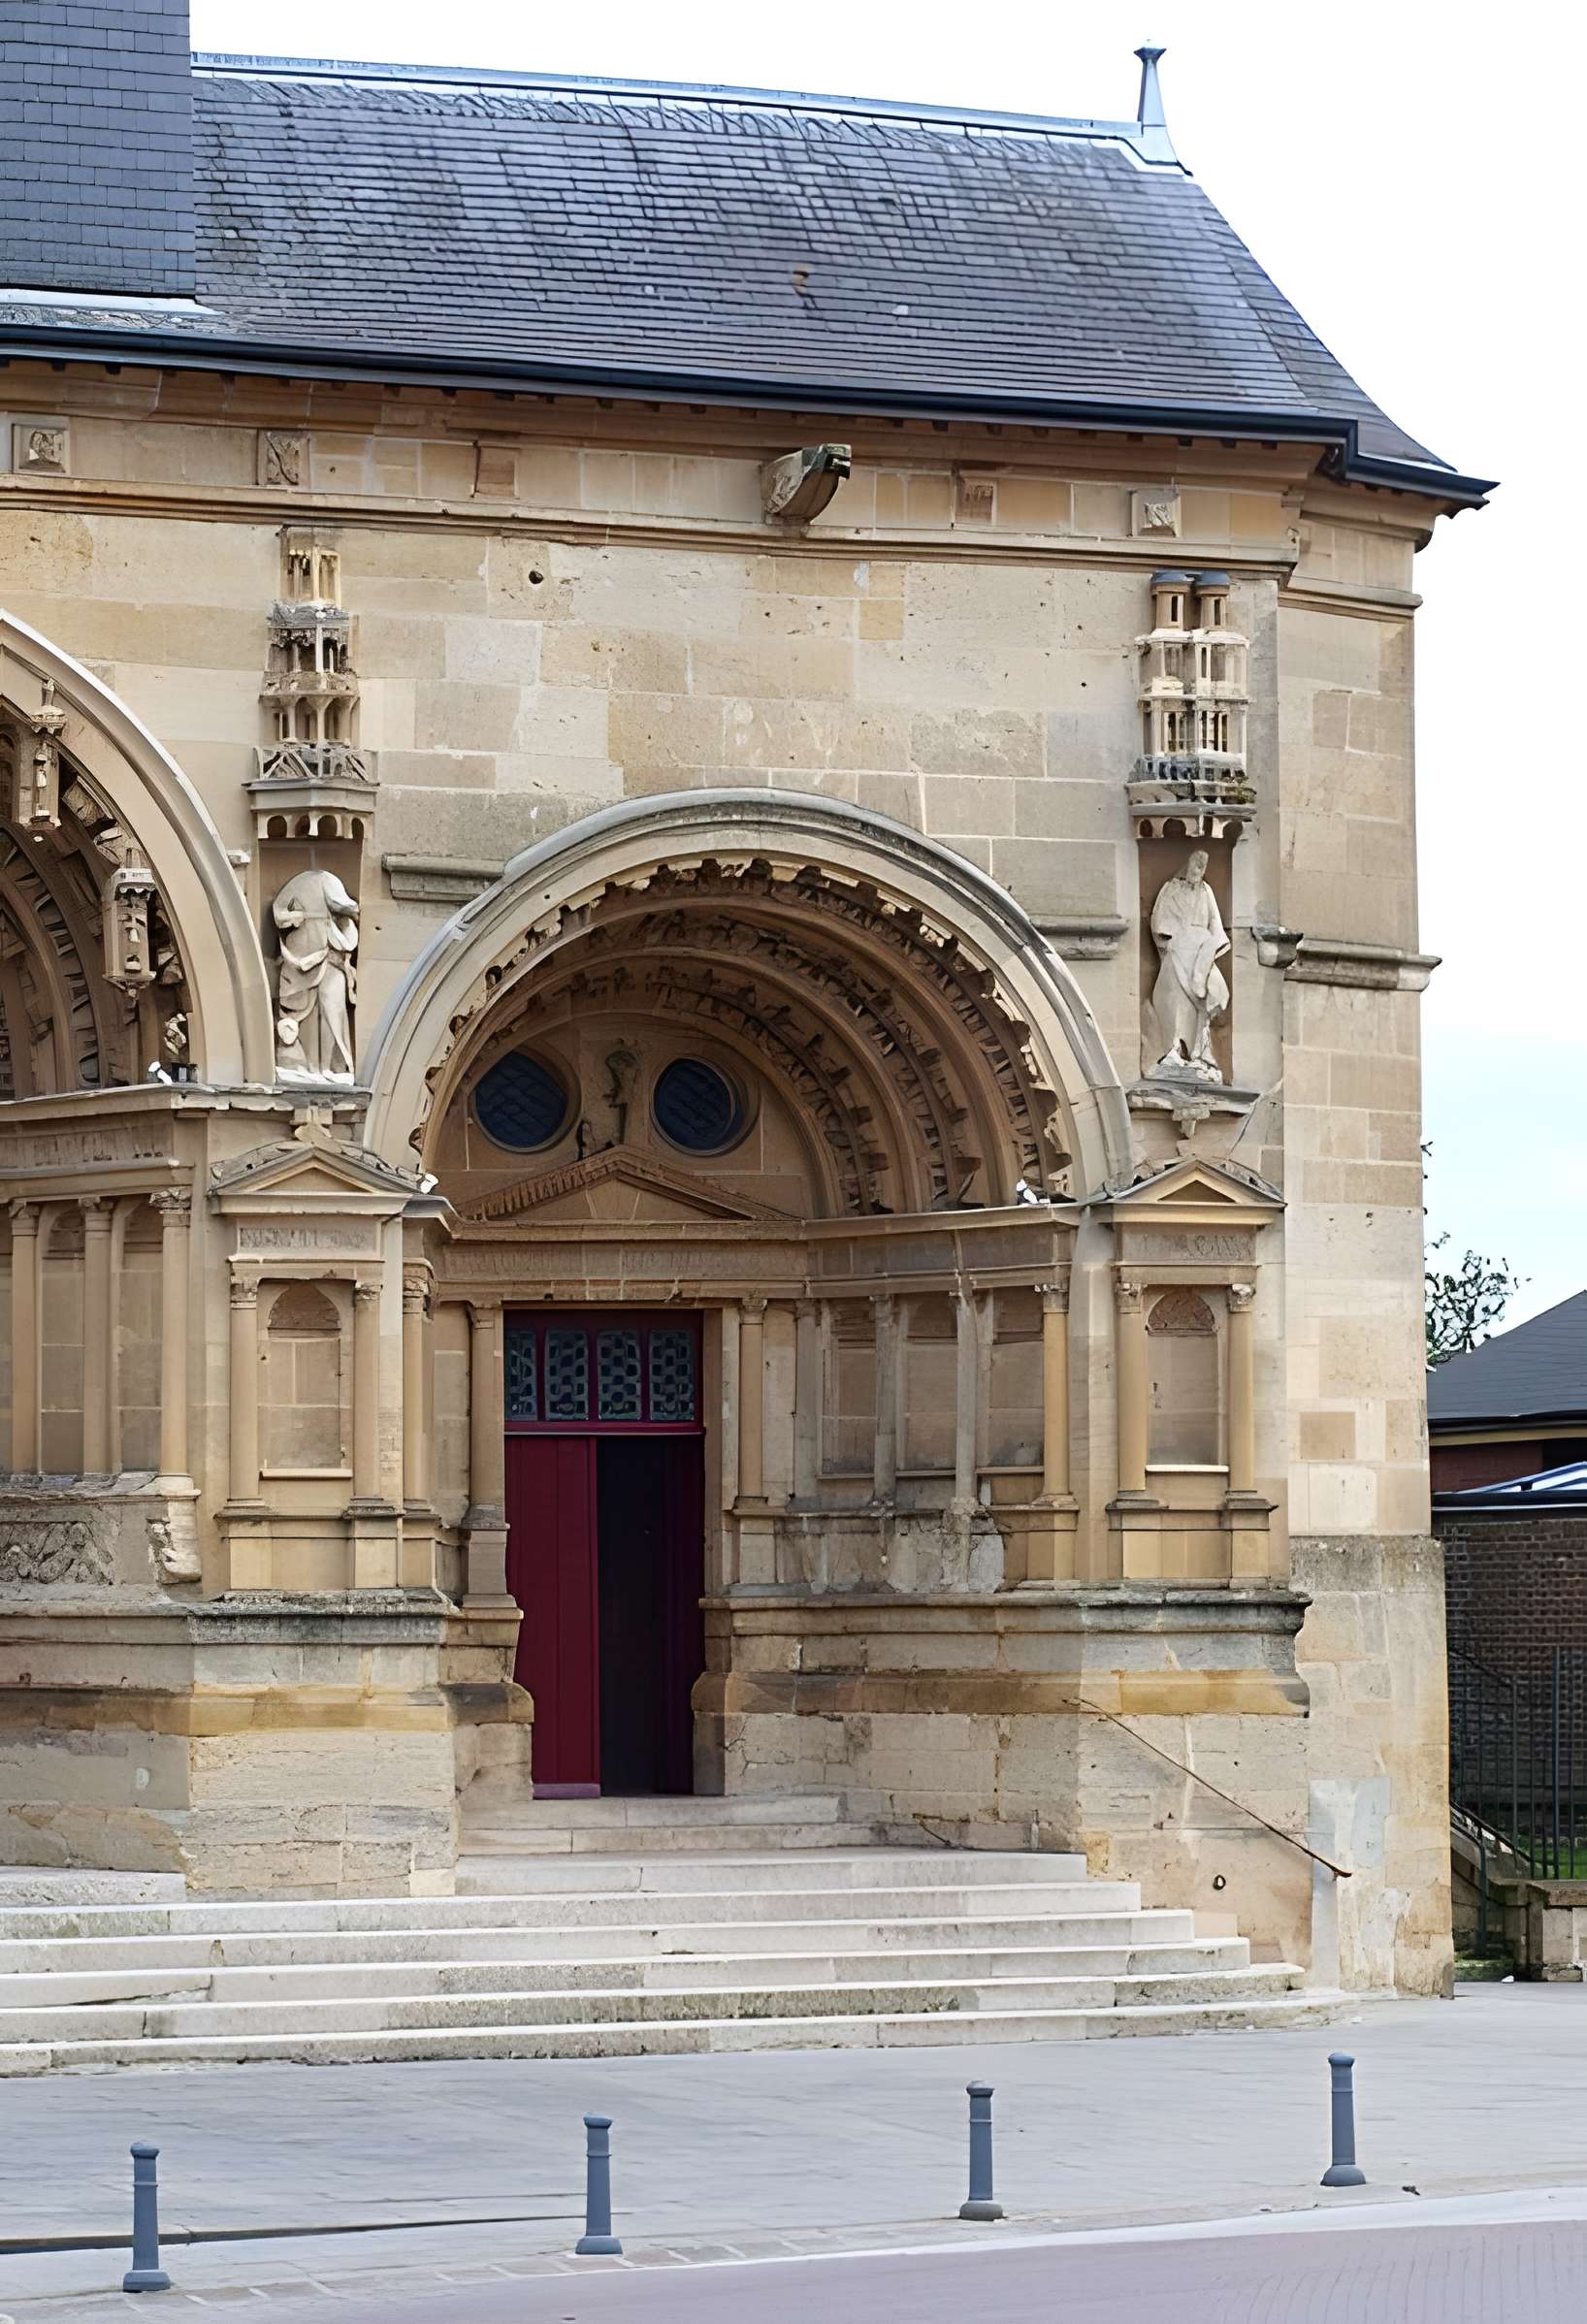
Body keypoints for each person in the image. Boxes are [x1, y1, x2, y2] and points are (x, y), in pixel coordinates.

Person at [1149, 849, 1228, 1081]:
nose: (1198, 870)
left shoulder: (1206, 892)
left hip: (1199, 958)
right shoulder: (1170, 889)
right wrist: (1175, 940)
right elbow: (1159, 925)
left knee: (1204, 1004)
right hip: (1176, 956)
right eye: (1196, 864)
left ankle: (1199, 1054)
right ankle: (1173, 1050)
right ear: (1186, 864)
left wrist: (1207, 948)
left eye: (1203, 866)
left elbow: (1217, 928)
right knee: (1173, 1002)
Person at [273, 868, 359, 1078]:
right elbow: (279, 913)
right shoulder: (309, 881)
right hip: (304, 950)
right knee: (307, 1009)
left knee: (332, 1008)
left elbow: (343, 904)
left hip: (326, 953)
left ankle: (330, 1066)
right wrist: (294, 917)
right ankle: (309, 1066)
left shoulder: (325, 879)